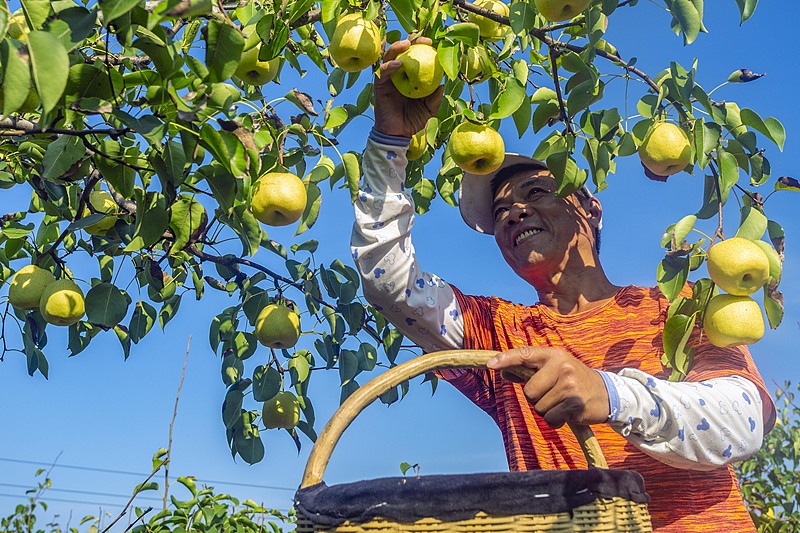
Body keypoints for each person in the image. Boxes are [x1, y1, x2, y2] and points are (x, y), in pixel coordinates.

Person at [350, 38, 776, 532]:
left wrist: (613, 395)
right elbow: (389, 281)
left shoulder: (674, 308)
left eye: (535, 193)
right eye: (500, 212)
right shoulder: (500, 332)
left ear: (589, 208)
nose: (514, 212)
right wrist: (390, 141)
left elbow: (743, 423)